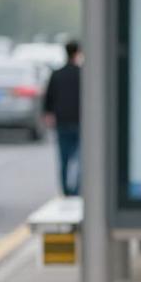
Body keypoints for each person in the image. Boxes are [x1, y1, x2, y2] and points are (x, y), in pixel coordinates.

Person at [43, 39, 82, 197]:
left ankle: (65, 191)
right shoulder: (82, 73)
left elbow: (49, 97)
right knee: (79, 159)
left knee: (64, 158)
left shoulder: (57, 73)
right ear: (78, 53)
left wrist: (48, 114)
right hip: (79, 120)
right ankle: (77, 189)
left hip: (62, 120)